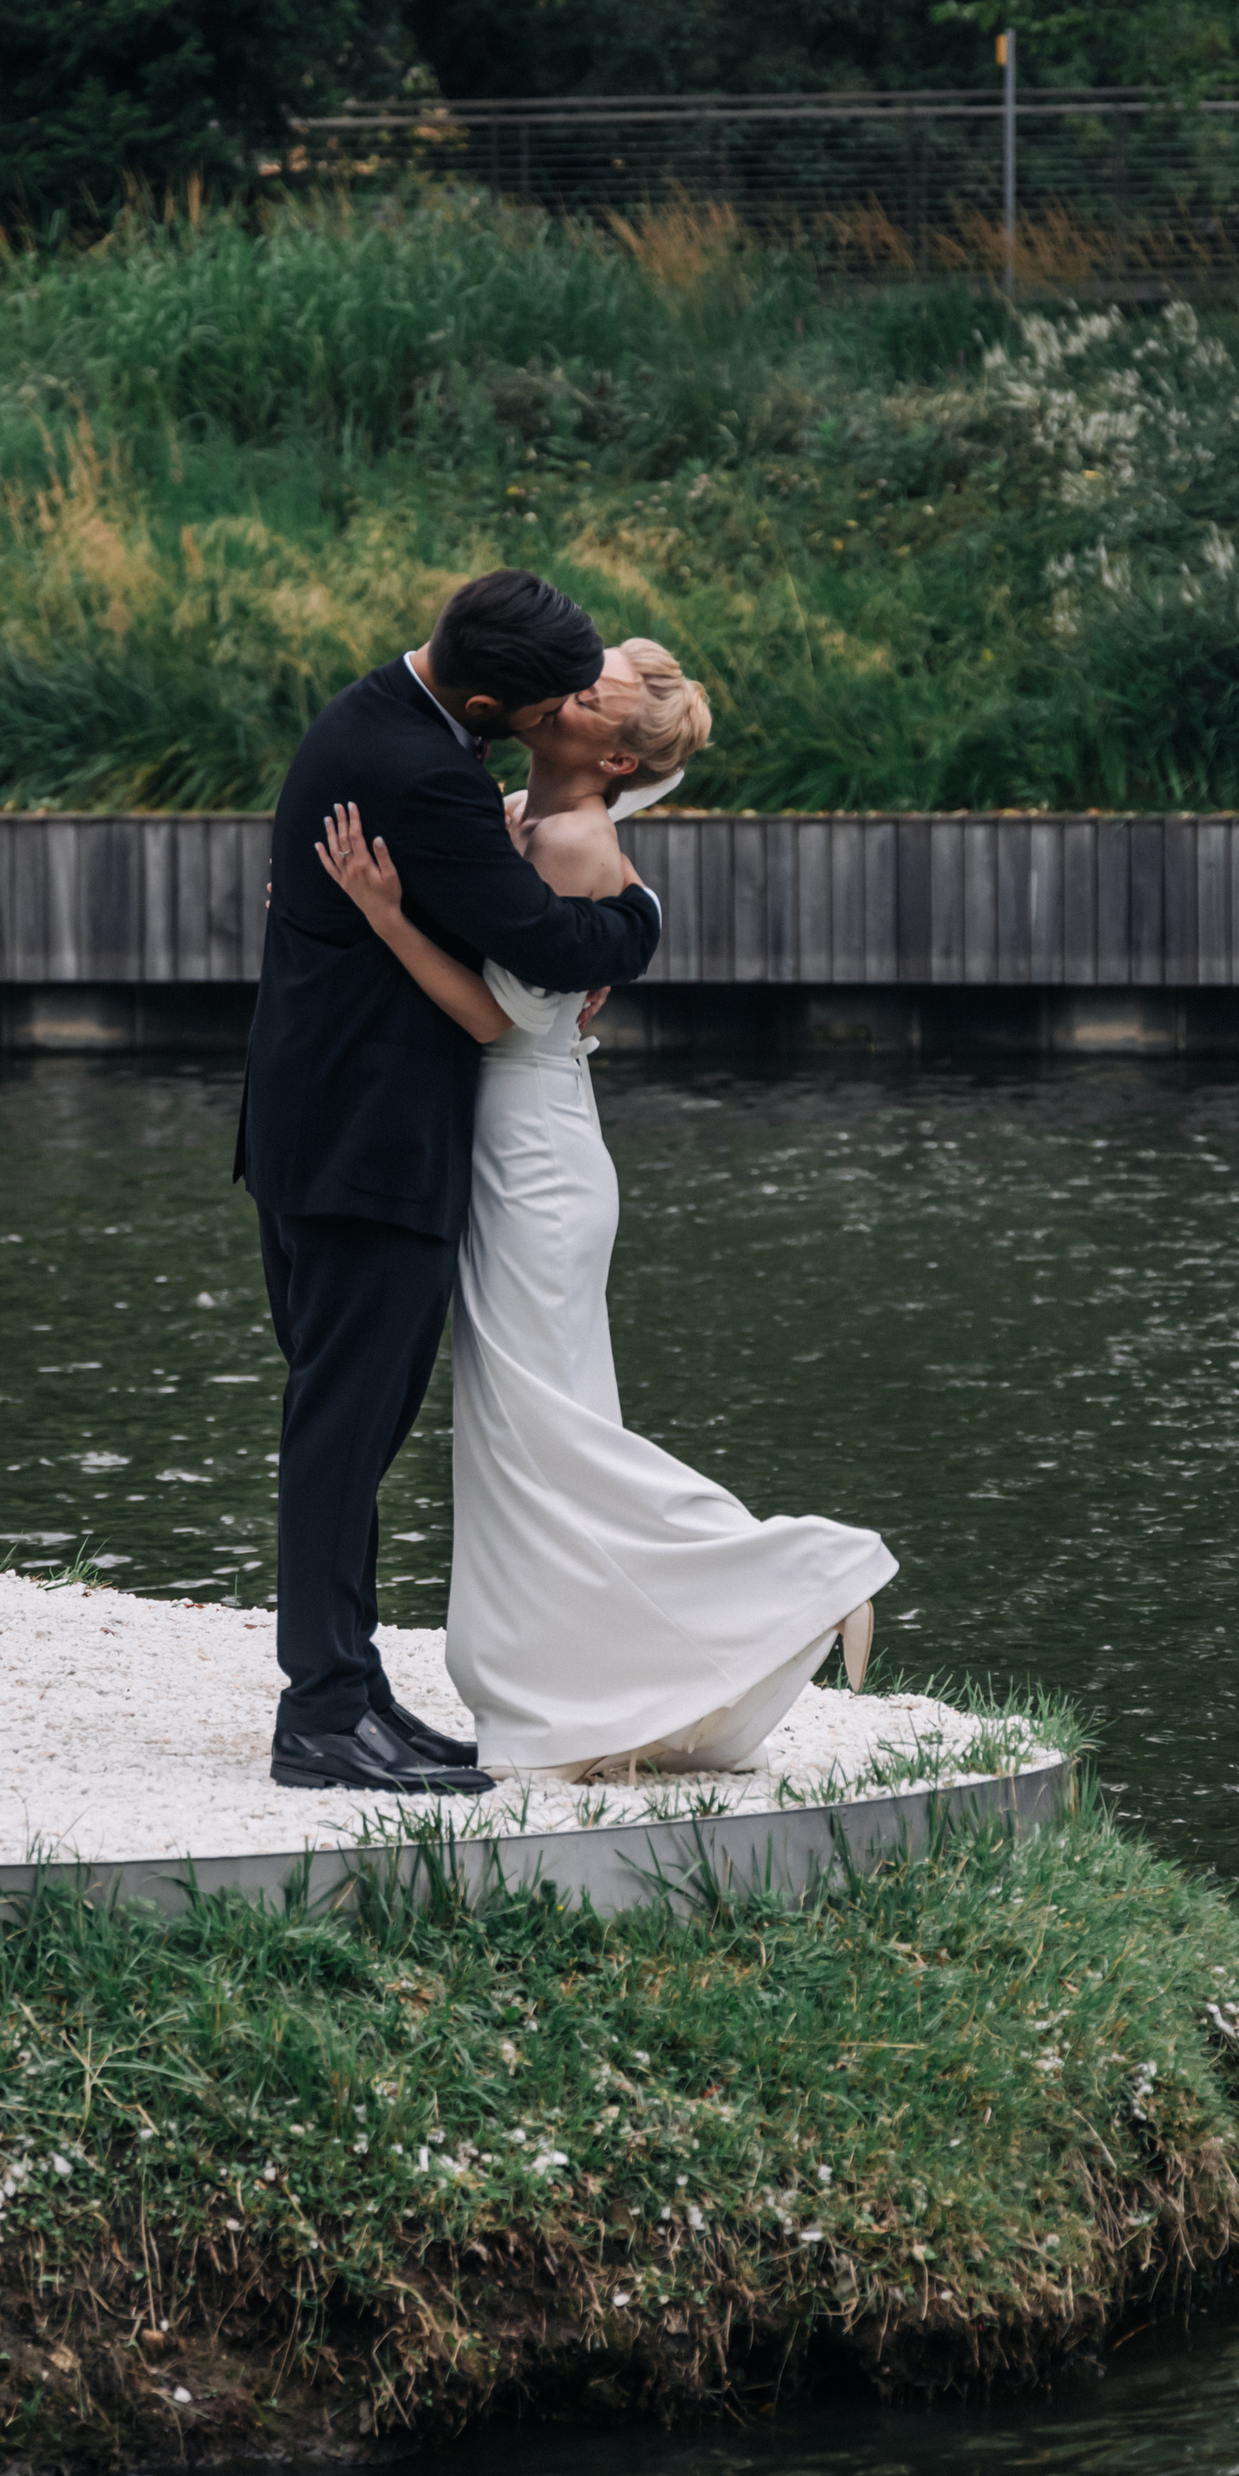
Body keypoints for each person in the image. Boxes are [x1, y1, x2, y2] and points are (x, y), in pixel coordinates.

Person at [317, 636, 894, 1779]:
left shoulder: (578, 841)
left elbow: (502, 1021)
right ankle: (594, 1681)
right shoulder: (518, 806)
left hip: (532, 1150)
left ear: (620, 757)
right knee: (525, 1426)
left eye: (590, 696)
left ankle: (807, 1573)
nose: (565, 694)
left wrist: (381, 914)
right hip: (511, 1143)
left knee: (545, 1425)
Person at [236, 570, 664, 1795]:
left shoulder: (377, 713)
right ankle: (320, 1715)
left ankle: (355, 1687)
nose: (561, 714)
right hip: (368, 1143)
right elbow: (545, 939)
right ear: (486, 695)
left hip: (322, 1125)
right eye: (544, 704)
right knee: (342, 1428)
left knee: (350, 1423)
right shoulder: (429, 775)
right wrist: (639, 923)